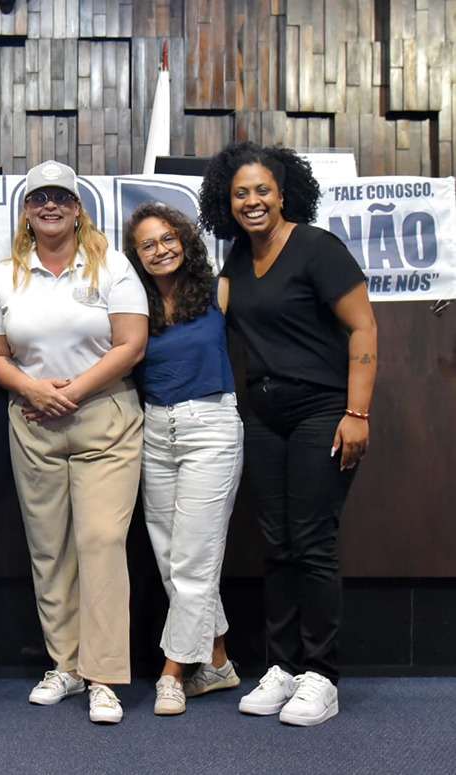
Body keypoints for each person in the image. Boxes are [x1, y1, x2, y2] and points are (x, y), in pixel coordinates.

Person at [198, 141, 377, 727]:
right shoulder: (236, 259)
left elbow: (363, 329)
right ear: (228, 202)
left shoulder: (317, 248)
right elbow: (209, 317)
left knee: (312, 542)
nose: (252, 201)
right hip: (263, 415)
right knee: (277, 546)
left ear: (284, 193)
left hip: (323, 411)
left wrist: (358, 413)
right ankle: (284, 665)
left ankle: (321, 675)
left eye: (262, 190)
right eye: (240, 193)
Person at [0, 160, 148, 724]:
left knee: (101, 542)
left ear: (78, 208)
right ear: (26, 212)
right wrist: (33, 388)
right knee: (50, 548)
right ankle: (67, 664)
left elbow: (131, 345)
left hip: (104, 417)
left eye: (61, 197)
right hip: (33, 422)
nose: (49, 206)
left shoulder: (114, 267)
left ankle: (104, 676)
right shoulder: (6, 275)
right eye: (38, 198)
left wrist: (70, 392)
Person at [122, 202, 243, 716]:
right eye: (147, 244)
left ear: (185, 240)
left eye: (167, 238)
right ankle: (217, 660)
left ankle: (173, 671)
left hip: (211, 427)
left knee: (194, 561)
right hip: (155, 429)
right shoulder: (135, 306)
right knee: (173, 558)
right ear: (137, 257)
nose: (159, 250)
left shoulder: (219, 290)